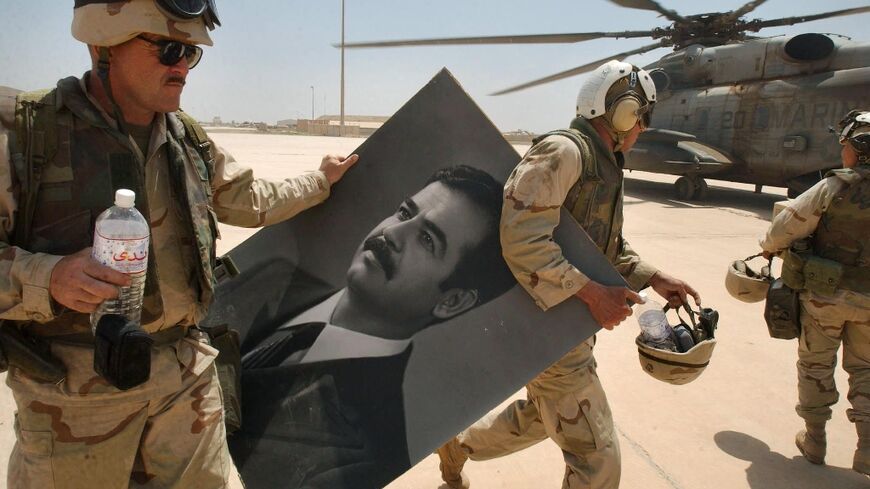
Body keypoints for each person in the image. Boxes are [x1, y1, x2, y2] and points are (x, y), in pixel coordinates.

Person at [0, 1, 357, 487]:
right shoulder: (26, 134)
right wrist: (48, 276)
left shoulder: (187, 138)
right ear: (102, 45)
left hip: (184, 385)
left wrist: (320, 180)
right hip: (74, 403)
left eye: (190, 53)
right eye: (168, 49)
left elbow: (250, 198)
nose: (181, 67)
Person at [436, 60, 701, 489]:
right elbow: (523, 242)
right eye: (641, 117)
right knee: (597, 460)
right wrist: (594, 294)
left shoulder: (602, 163)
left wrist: (651, 276)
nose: (642, 129)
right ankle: (460, 446)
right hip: (544, 328)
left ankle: (459, 445)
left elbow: (598, 246)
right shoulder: (564, 153)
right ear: (621, 112)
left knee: (544, 418)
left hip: (562, 325)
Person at [228, 165, 515, 489]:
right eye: (405, 212)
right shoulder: (269, 277)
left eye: (426, 239)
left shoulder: (365, 451)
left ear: (452, 301)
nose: (391, 233)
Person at [760, 109, 870, 476]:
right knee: (867, 369)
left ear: (857, 149)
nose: (842, 152)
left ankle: (815, 439)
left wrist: (769, 247)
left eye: (846, 145)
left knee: (816, 366)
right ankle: (867, 448)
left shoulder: (835, 187)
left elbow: (783, 228)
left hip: (827, 297)